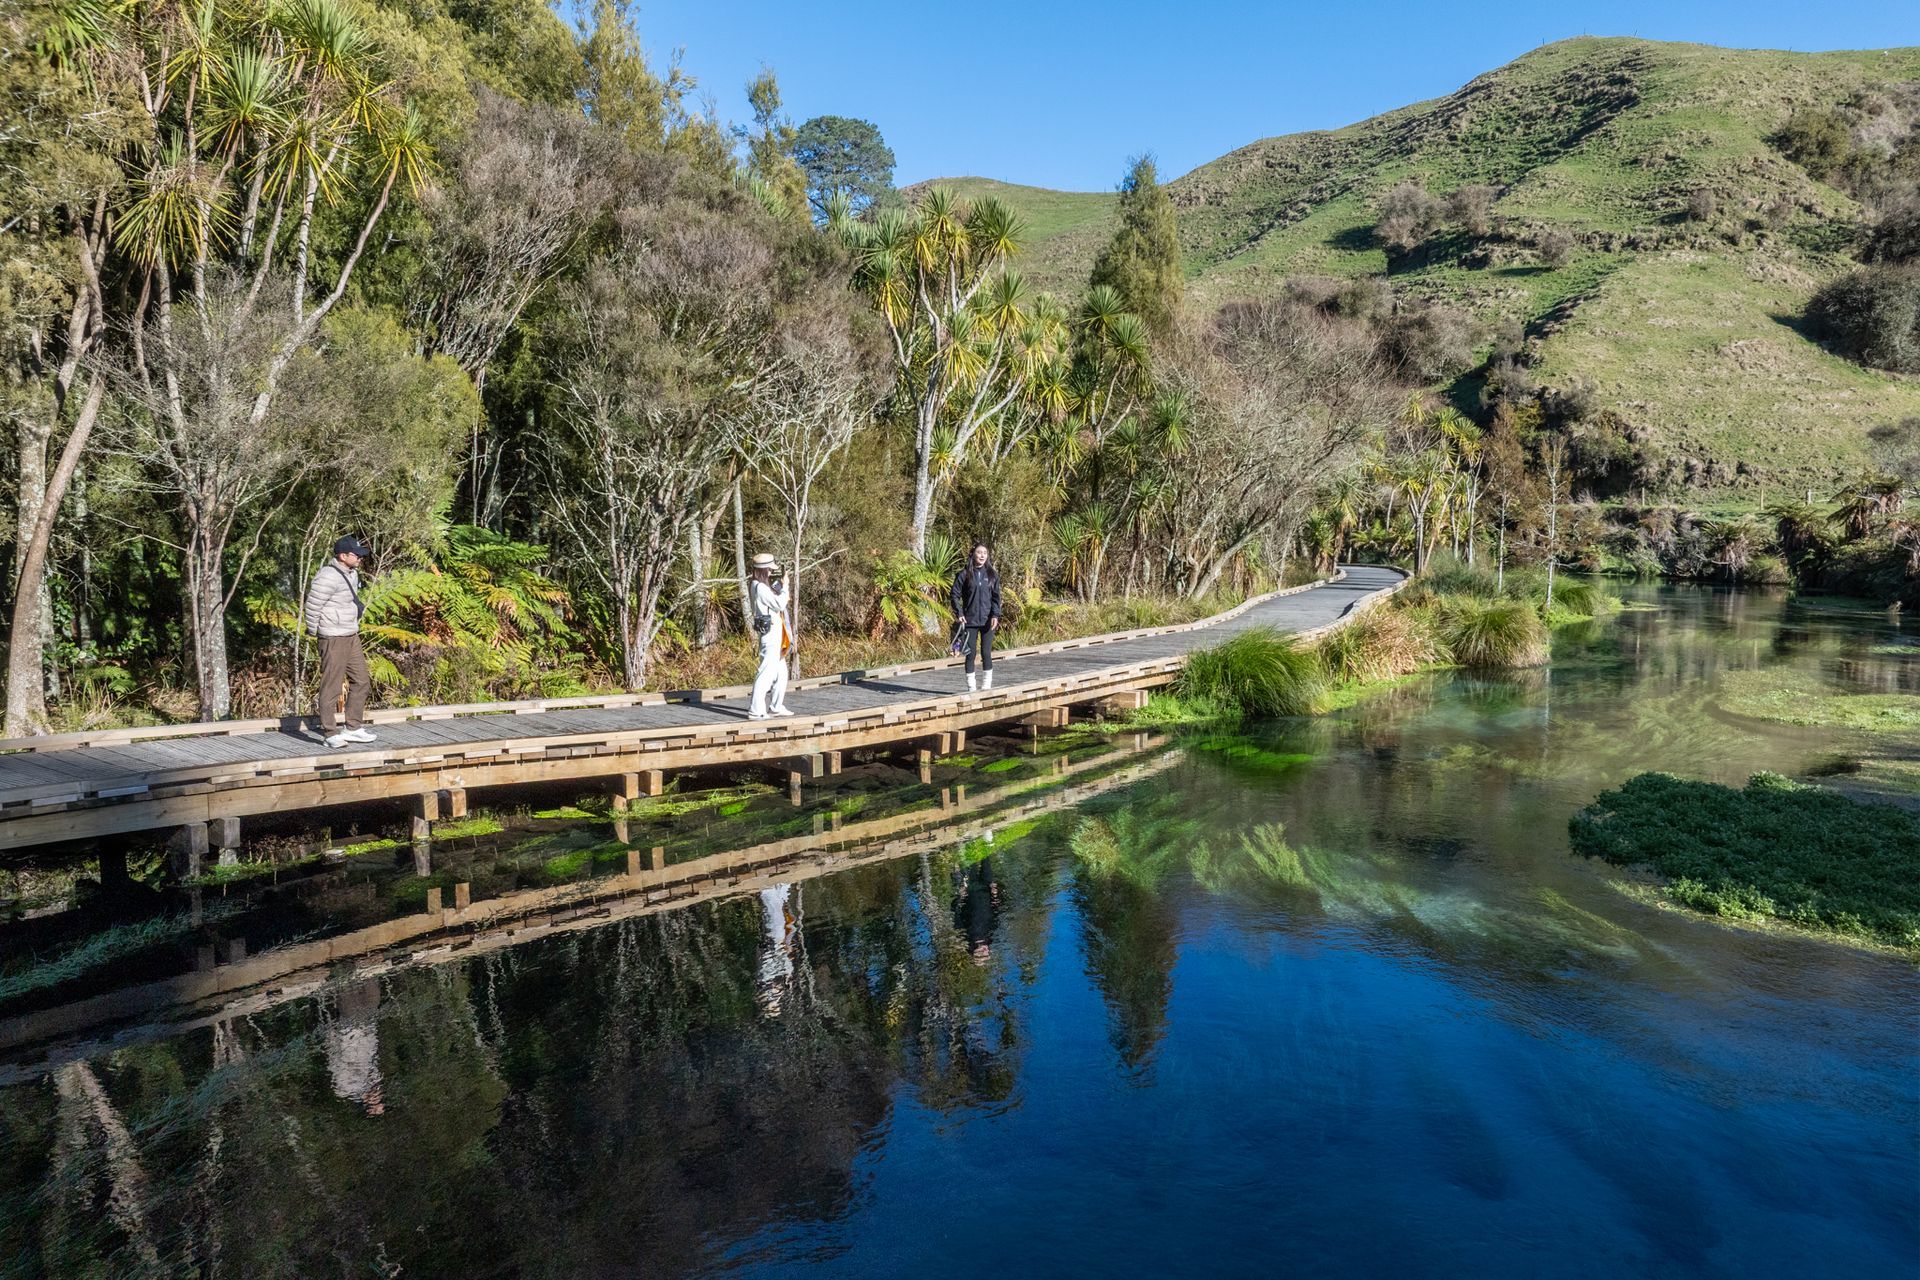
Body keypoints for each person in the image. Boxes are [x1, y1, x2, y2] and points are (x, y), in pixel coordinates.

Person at [304, 536, 376, 749]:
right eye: (356, 555)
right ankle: (330, 733)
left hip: (350, 633)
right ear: (342, 556)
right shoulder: (327, 576)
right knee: (332, 685)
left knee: (362, 680)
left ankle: (353, 728)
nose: (360, 558)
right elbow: (312, 606)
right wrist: (316, 632)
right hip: (332, 636)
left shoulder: (352, 574)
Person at [950, 543, 1002, 693]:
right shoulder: (964, 574)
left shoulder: (992, 574)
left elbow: (996, 598)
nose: (982, 555)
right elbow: (954, 595)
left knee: (986, 653)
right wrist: (959, 613)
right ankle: (971, 688)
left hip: (988, 621)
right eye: (979, 552)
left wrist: (995, 615)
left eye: (985, 553)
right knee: (970, 654)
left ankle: (986, 687)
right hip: (970, 620)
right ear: (973, 554)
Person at [746, 552, 793, 719]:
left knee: (781, 673)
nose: (771, 573)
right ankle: (756, 710)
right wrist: (785, 586)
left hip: (775, 634)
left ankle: (776, 706)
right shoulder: (760, 587)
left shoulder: (759, 586)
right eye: (769, 570)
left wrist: (778, 586)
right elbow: (780, 604)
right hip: (770, 635)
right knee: (765, 673)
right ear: (763, 570)